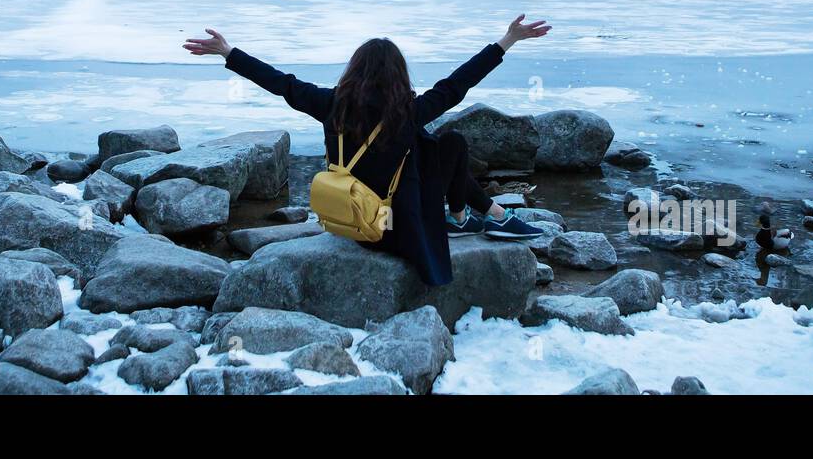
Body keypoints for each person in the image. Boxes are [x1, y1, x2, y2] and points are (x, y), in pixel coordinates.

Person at [183, 15, 551, 286]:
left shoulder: (329, 105)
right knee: (448, 142)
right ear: (398, 76)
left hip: (349, 221)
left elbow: (281, 83)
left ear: (354, 71)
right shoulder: (407, 113)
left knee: (422, 143)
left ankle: (472, 215)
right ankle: (468, 216)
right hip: (393, 231)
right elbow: (456, 85)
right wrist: (506, 41)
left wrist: (228, 52)